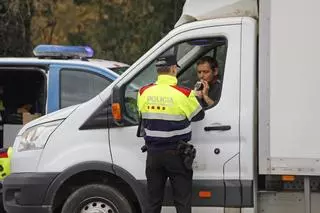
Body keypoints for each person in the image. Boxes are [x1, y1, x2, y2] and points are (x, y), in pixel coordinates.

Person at [137, 54, 205, 213]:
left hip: (153, 155)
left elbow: (141, 114)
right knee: (182, 202)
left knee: (153, 202)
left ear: (158, 70)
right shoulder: (184, 94)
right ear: (174, 69)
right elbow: (199, 115)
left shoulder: (143, 92)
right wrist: (197, 97)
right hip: (177, 155)